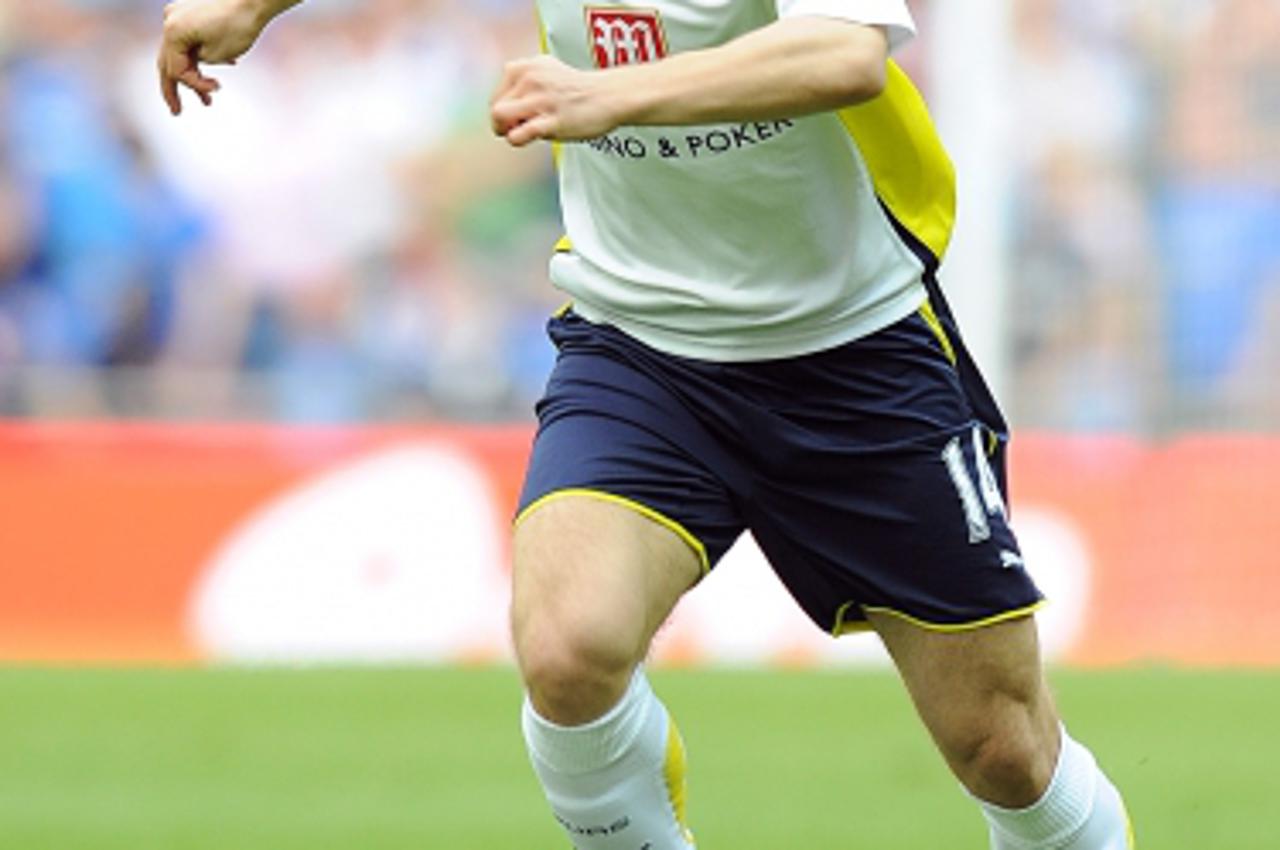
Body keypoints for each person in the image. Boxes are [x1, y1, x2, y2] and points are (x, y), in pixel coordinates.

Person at [158, 1, 1135, 847]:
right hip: (642, 343)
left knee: (1000, 746)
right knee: (564, 647)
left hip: (857, 351)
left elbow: (842, 52)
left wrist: (607, 96)